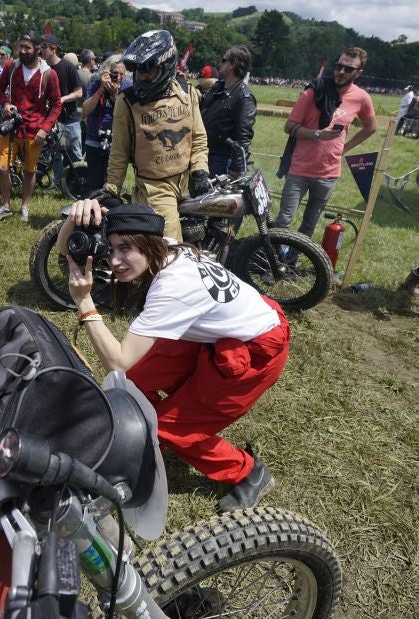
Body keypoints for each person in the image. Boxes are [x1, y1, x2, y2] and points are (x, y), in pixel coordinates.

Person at [58, 200, 289, 512]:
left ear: (146, 244)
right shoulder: (161, 245)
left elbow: (117, 360)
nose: (114, 261)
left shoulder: (173, 287)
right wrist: (74, 219)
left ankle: (249, 472)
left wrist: (84, 302)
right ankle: (149, 436)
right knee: (132, 381)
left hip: (255, 350)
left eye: (124, 249)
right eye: (110, 249)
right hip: (227, 329)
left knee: (173, 429)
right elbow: (64, 250)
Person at [102, 30, 210, 242]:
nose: (141, 76)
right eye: (137, 70)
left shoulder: (187, 93)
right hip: (155, 190)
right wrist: (112, 188)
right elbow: (119, 152)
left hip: (186, 182)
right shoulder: (127, 102)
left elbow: (198, 138)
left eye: (147, 69)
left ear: (166, 64)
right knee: (171, 252)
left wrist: (200, 170)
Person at [275, 47, 376, 240]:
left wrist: (345, 148)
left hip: (329, 174)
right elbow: (289, 127)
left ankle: (291, 262)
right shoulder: (313, 92)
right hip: (299, 170)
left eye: (349, 69)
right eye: (339, 66)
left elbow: (370, 127)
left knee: (309, 224)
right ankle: (272, 263)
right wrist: (316, 134)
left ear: (359, 73)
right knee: (284, 221)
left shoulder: (361, 98)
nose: (341, 72)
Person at [0, 31, 62, 223]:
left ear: (38, 49)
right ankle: (5, 205)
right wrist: (4, 104)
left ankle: (25, 206)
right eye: (21, 46)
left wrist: (45, 128)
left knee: (30, 171)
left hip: (35, 129)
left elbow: (56, 105)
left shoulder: (49, 74)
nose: (22, 50)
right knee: (2, 168)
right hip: (12, 127)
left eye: (27, 47)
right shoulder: (12, 67)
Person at [199, 45, 257, 178]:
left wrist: (236, 168)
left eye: (223, 60)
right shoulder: (217, 88)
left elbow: (244, 135)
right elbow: (200, 105)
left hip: (222, 160)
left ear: (233, 64)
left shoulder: (244, 97)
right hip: (204, 154)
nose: (220, 63)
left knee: (214, 199)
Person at [41, 34, 84, 190]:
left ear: (53, 49)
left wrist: (63, 99)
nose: (42, 50)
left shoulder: (67, 67)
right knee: (56, 155)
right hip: (52, 120)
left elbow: (79, 93)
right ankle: (59, 184)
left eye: (45, 47)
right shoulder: (43, 69)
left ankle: (81, 182)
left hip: (70, 119)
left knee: (76, 154)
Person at [82, 55, 129, 190]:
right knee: (95, 183)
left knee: (113, 185)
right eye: (115, 74)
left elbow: (125, 116)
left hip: (116, 142)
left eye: (122, 74)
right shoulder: (96, 82)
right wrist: (101, 89)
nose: (118, 78)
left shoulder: (127, 86)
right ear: (106, 72)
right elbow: (85, 111)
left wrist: (115, 96)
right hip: (94, 139)